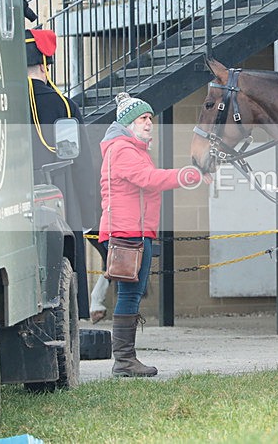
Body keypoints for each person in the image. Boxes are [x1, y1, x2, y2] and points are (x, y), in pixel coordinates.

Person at [99, 92, 207, 377]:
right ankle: (124, 361)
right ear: (128, 123)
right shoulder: (122, 149)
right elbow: (149, 180)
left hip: (135, 231)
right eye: (142, 119)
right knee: (130, 294)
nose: (149, 123)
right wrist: (190, 175)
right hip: (127, 232)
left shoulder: (133, 150)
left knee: (130, 294)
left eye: (150, 118)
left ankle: (125, 360)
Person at [26, 29, 99, 317]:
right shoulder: (64, 105)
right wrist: (88, 211)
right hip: (58, 195)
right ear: (44, 65)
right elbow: (81, 164)